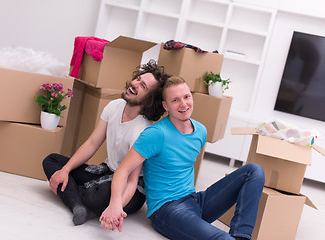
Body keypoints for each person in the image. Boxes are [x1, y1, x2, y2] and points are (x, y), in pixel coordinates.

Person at [100, 76, 265, 240]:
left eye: (186, 97)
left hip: (194, 201)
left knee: (254, 171)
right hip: (167, 210)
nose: (184, 104)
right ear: (166, 106)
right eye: (175, 100)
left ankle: (241, 236)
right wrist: (115, 204)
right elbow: (123, 169)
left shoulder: (200, 131)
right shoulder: (155, 134)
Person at [42, 59, 170, 226]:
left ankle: (79, 199)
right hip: (106, 171)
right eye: (138, 79)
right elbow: (92, 143)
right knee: (52, 161)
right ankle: (79, 206)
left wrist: (116, 208)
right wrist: (65, 170)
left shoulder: (143, 130)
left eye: (143, 86)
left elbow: (131, 181)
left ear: (149, 100)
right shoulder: (114, 106)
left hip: (130, 190)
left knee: (95, 194)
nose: (135, 84)